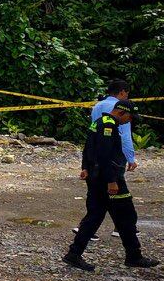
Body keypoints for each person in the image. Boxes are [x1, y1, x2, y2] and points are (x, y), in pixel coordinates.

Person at [66, 80, 155, 270]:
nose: (129, 122)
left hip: (97, 176)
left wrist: (85, 167)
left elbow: (88, 148)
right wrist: (112, 181)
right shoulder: (109, 126)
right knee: (127, 215)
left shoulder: (99, 122)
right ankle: (134, 256)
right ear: (121, 112)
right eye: (129, 118)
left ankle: (74, 254)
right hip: (108, 179)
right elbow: (105, 156)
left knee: (96, 216)